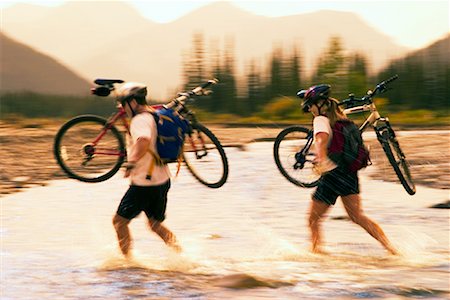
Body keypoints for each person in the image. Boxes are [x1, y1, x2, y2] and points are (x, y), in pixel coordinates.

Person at [298, 84, 398, 255]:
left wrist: (321, 157)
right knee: (358, 216)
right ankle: (392, 249)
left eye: (311, 105)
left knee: (313, 220)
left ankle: (317, 255)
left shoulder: (321, 120)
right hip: (349, 174)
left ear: (320, 104)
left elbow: (321, 139)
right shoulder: (342, 118)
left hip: (332, 175)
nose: (310, 109)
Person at [112, 82, 181, 258]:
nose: (122, 107)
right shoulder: (154, 115)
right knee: (155, 224)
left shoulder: (139, 120)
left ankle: (128, 264)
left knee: (119, 221)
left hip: (144, 182)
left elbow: (143, 140)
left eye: (124, 102)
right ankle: (182, 255)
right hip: (162, 180)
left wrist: (132, 162)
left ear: (133, 102)